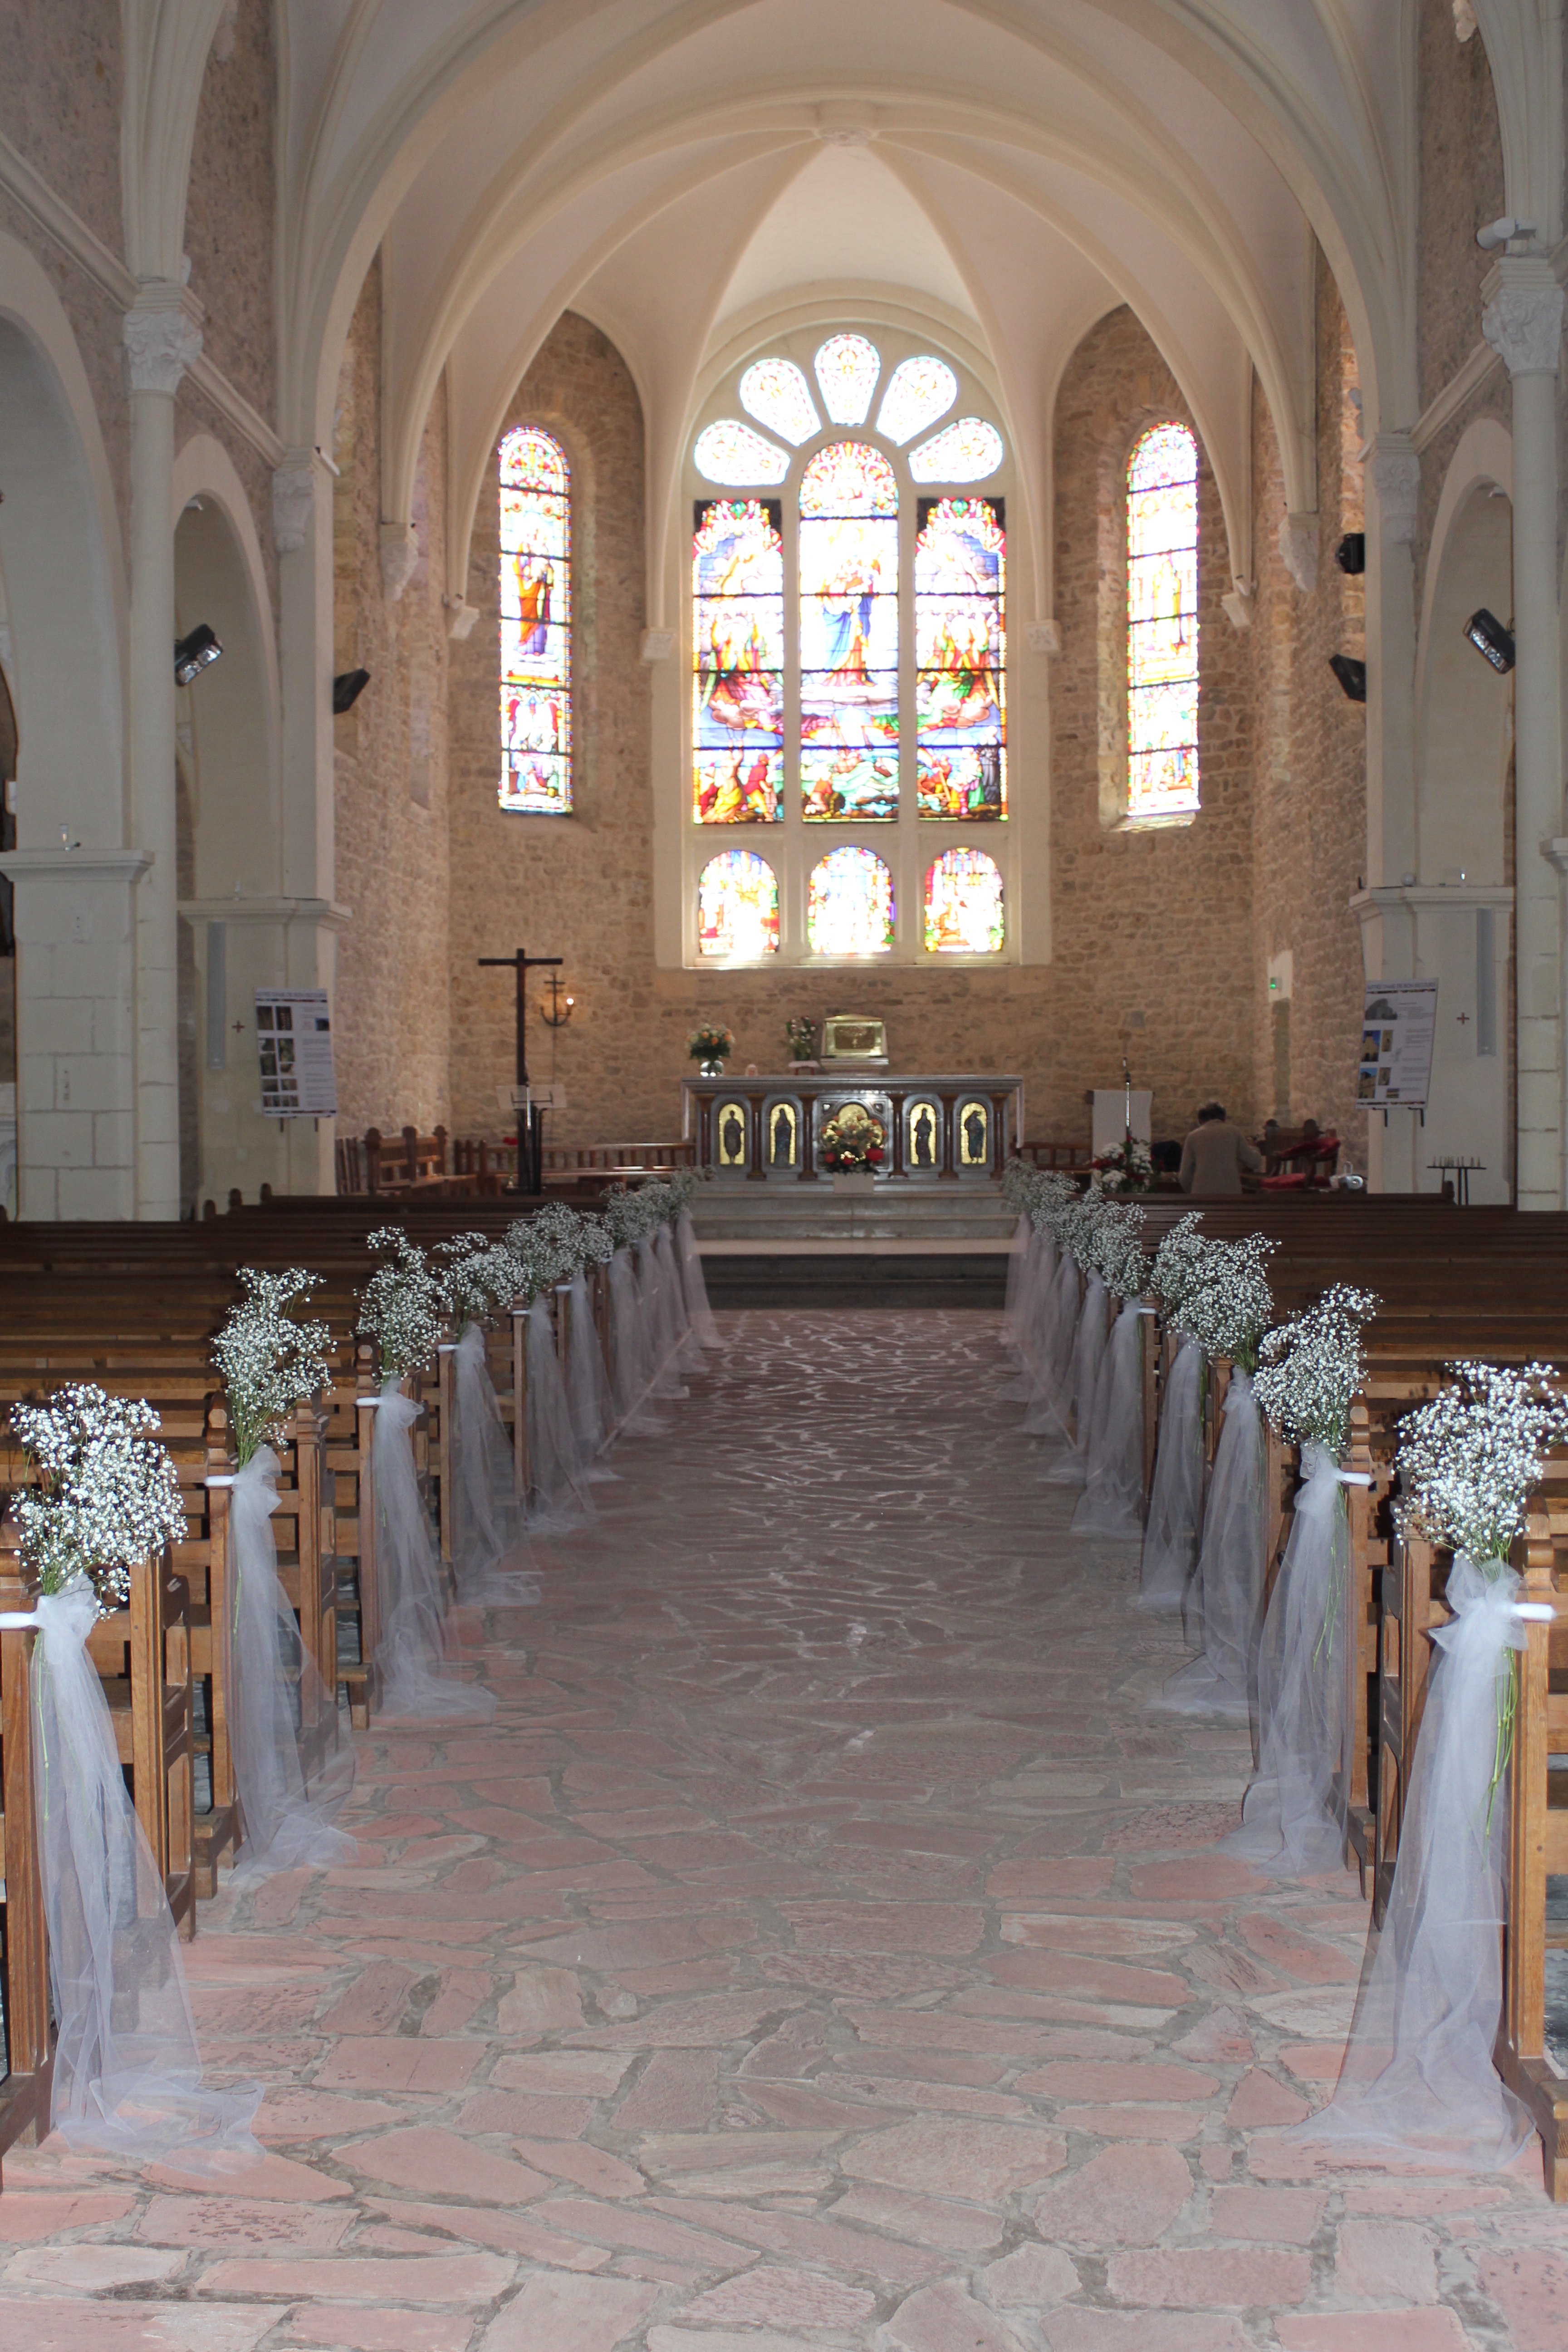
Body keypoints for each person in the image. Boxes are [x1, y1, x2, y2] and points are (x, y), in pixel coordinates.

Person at [1179, 1102, 1264, 1197]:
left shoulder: (1193, 1136)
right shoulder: (1233, 1132)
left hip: (1202, 1194)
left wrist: (1192, 1190)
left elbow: (1185, 1175)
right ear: (1224, 1118)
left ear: (1200, 1120)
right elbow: (1254, 1161)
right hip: (1230, 1193)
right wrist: (1254, 1148)